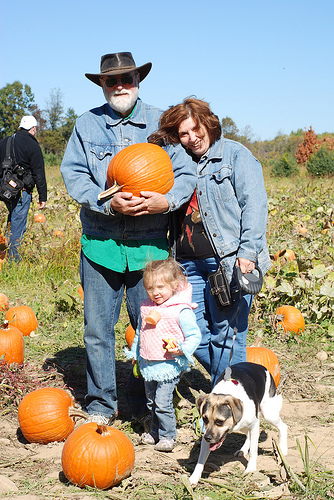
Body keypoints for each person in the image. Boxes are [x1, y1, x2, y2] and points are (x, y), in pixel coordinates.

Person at [60, 53, 196, 425]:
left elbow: (185, 173)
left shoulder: (161, 122)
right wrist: (104, 202)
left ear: (138, 78)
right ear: (101, 85)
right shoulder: (86, 125)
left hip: (150, 248)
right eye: (111, 80)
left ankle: (147, 404)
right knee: (97, 330)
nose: (120, 85)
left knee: (153, 326)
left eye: (127, 77)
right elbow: (74, 175)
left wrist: (165, 201)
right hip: (101, 244)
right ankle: (101, 405)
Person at [149, 98, 271, 388]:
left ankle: (225, 403)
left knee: (227, 336)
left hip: (227, 262)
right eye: (184, 134)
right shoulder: (176, 163)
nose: (192, 139)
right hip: (186, 265)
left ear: (209, 123)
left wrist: (248, 252)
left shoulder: (235, 156)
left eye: (196, 129)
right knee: (196, 332)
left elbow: (255, 205)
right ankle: (232, 386)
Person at [125, 258, 201, 451]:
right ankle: (154, 432)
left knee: (162, 402)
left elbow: (194, 335)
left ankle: (169, 436)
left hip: (169, 366)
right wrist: (136, 352)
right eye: (150, 288)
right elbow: (141, 333)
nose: (155, 292)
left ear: (174, 285)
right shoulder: (146, 307)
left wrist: (182, 349)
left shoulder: (180, 310)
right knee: (151, 401)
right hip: (148, 365)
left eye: (160, 287)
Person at [0, 116, 47, 261]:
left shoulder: (5, 141)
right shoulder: (32, 145)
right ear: (33, 129)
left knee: (13, 218)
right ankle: (13, 262)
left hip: (4, 191)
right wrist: (42, 197)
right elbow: (39, 173)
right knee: (18, 225)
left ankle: (4, 252)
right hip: (22, 191)